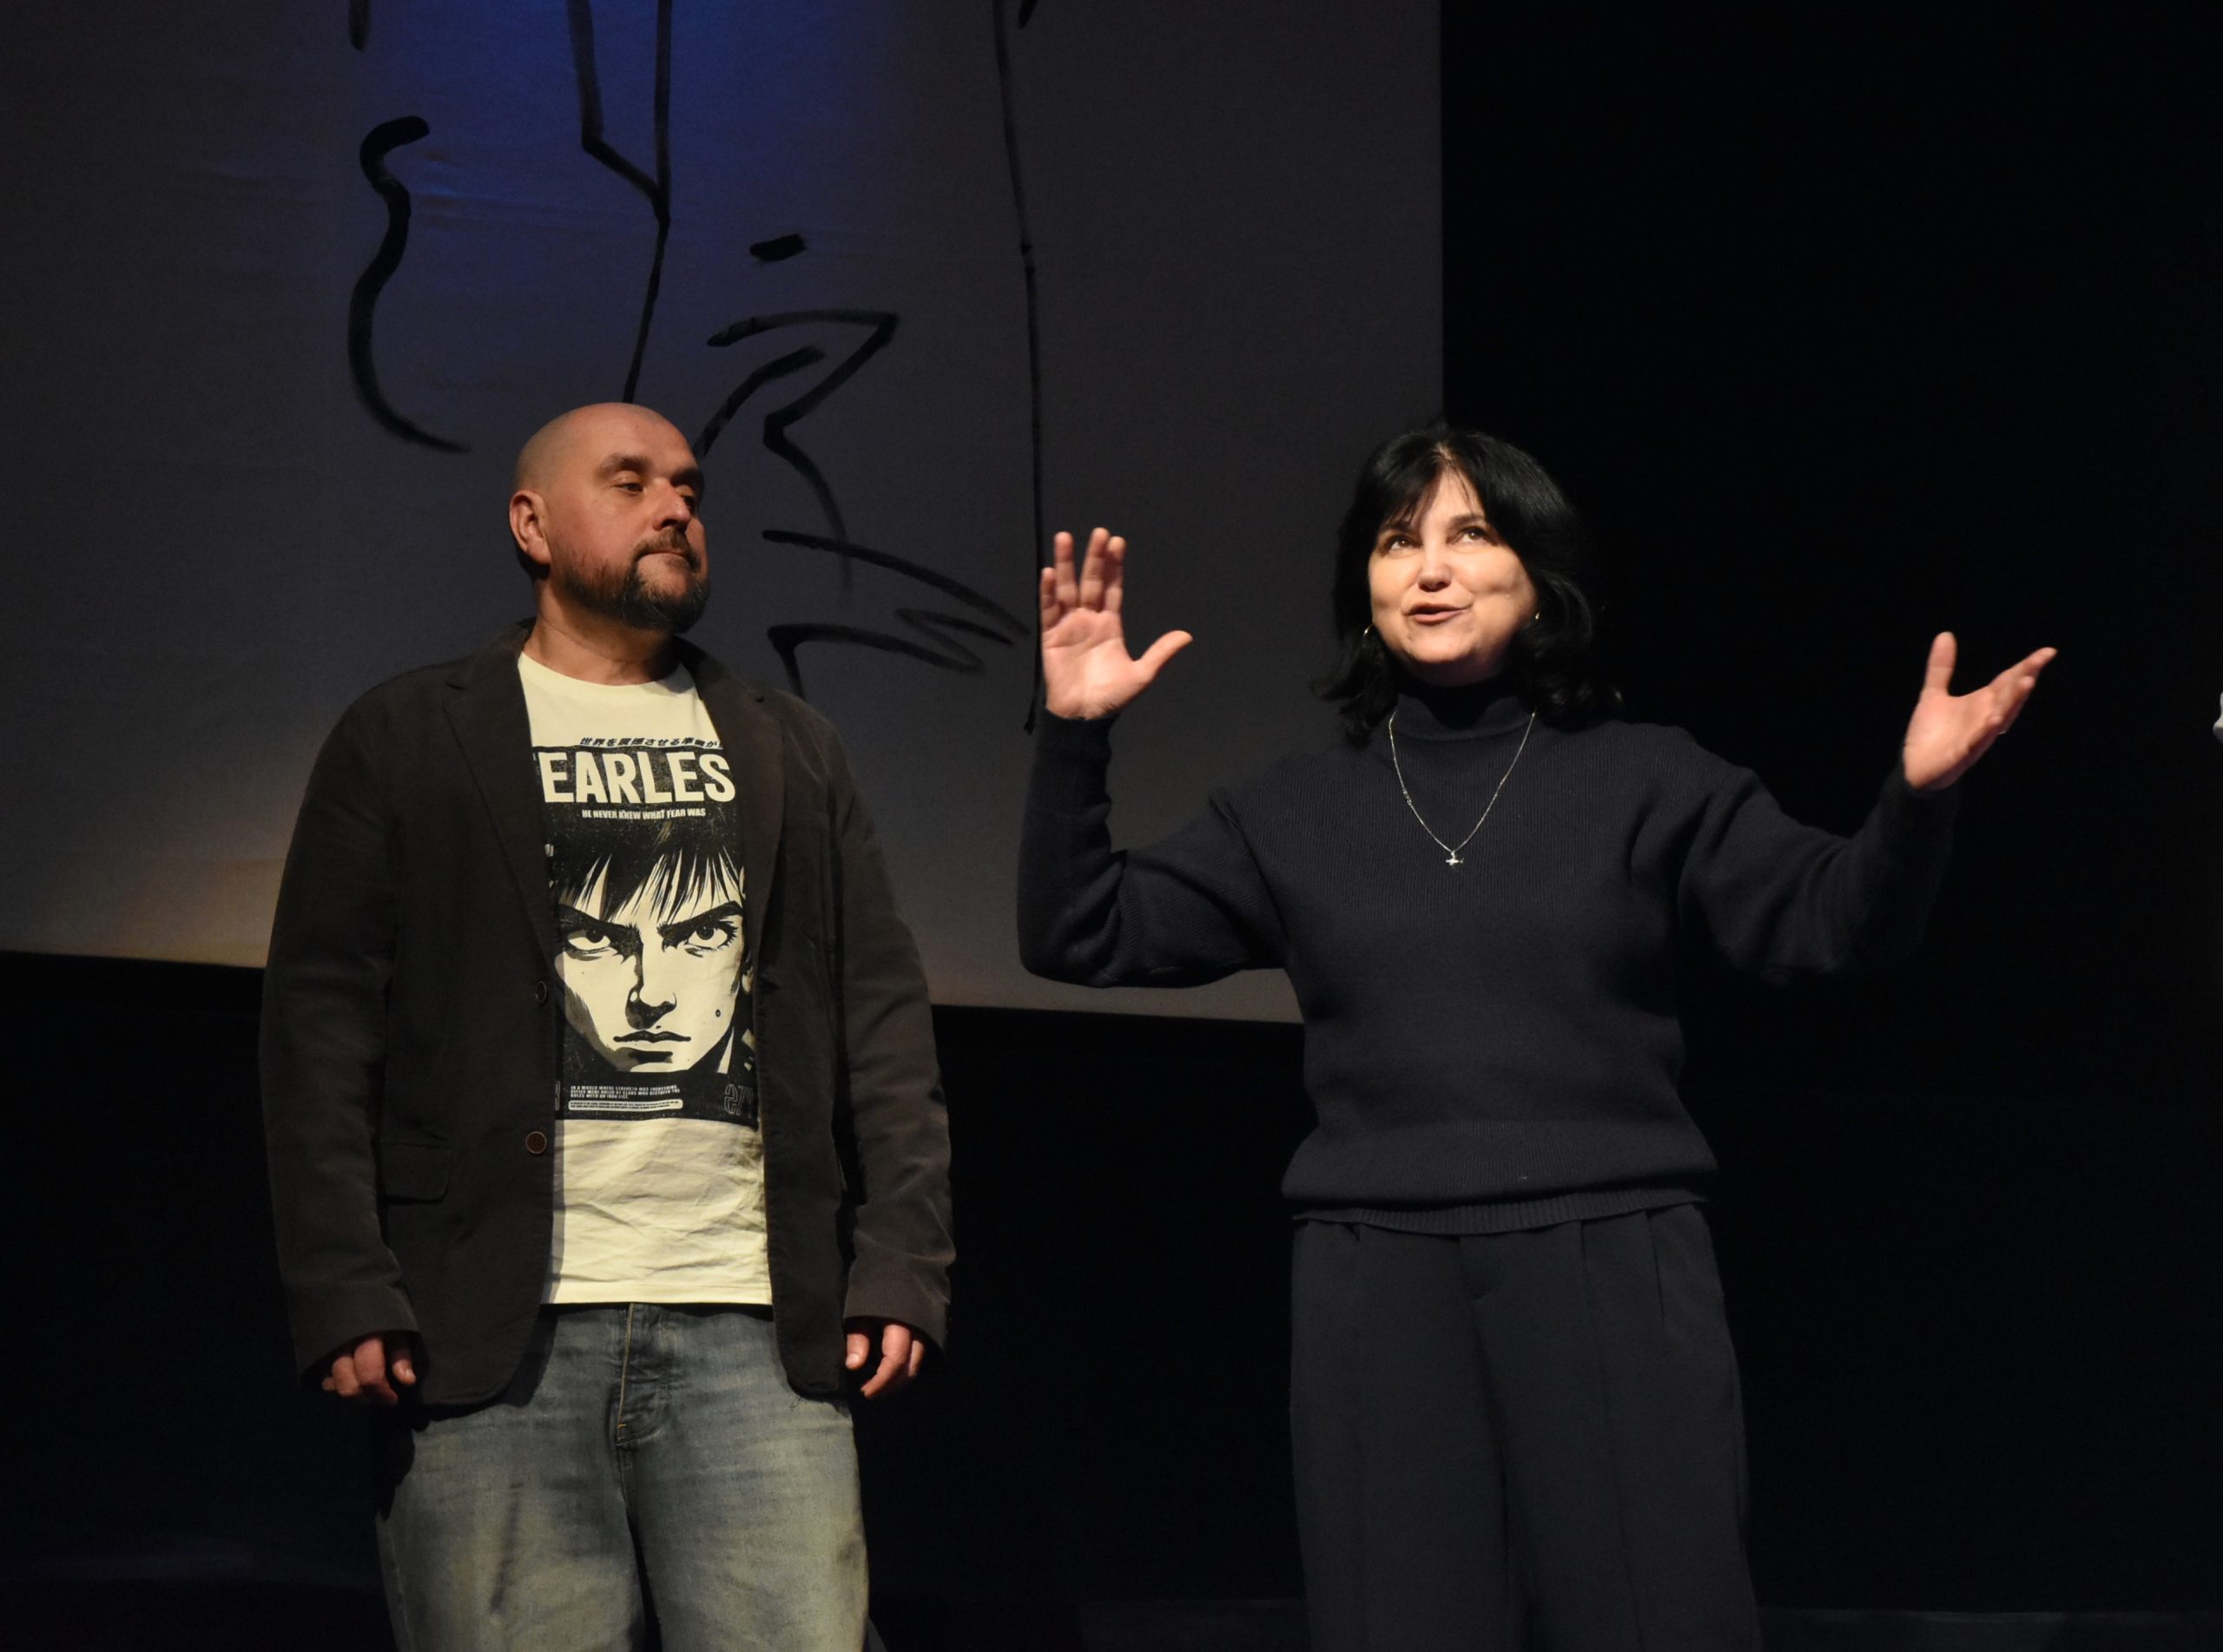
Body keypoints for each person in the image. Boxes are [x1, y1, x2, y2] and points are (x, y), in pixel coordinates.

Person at [1017, 425, 2053, 1652]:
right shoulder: (1290, 809)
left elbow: (1834, 924)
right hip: (1376, 1276)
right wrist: (1074, 734)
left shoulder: (1647, 779)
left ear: (1539, 573)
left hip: (1609, 1254)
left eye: (1470, 534)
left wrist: (1915, 802)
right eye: (1396, 543)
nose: (1429, 570)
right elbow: (1079, 932)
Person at [261, 401, 953, 1651]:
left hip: (754, 1329)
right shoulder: (410, 737)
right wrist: (341, 1281)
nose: (674, 507)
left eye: (688, 487)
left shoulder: (791, 747)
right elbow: (319, 1030)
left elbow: (884, 1019)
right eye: (629, 482)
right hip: (487, 1337)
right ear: (531, 525)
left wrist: (904, 1256)